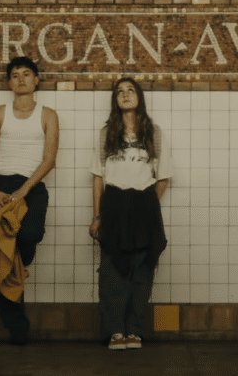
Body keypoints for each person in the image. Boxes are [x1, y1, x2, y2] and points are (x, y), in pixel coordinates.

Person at [89, 77, 172, 351]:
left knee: (142, 269)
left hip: (144, 204)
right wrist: (98, 216)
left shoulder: (154, 132)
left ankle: (134, 330)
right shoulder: (106, 134)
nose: (124, 95)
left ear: (140, 97)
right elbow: (98, 178)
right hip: (113, 204)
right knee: (113, 271)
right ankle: (115, 331)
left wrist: (145, 205)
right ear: (115, 100)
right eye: (119, 91)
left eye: (130, 90)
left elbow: (163, 178)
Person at [0, 56, 59, 346]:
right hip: (0, 187)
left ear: (36, 80)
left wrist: (26, 189)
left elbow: (49, 158)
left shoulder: (48, 115)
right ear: (9, 82)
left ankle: (16, 267)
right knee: (2, 253)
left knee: (30, 235)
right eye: (15, 75)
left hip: (32, 187)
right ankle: (17, 328)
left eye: (27, 74)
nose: (21, 79)